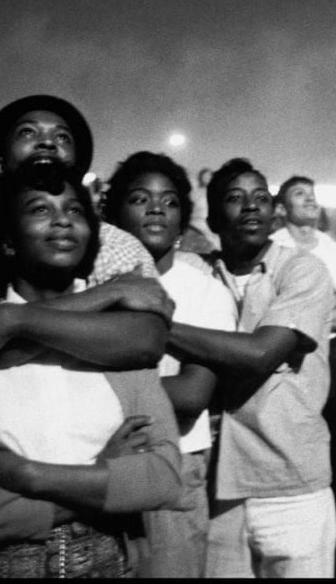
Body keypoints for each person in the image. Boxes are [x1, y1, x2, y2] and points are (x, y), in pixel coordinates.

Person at [0, 165, 183, 577]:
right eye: (40, 209)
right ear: (6, 239)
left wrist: (27, 475)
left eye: (76, 210)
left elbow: (163, 478)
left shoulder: (121, 340)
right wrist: (100, 477)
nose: (63, 220)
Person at [0, 94, 172, 386]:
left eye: (63, 137)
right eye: (28, 132)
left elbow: (144, 340)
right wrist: (109, 295)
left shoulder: (117, 244)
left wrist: (5, 321)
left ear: (75, 166)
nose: (48, 142)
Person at [164, 158, 336, 578]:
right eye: (235, 199)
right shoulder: (197, 273)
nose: (251, 208)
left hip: (290, 481)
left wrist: (156, 328)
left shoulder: (302, 269)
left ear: (275, 210)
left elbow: (261, 353)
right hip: (218, 489)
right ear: (212, 214)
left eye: (261, 198)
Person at [103, 151, 237, 578]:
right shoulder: (87, 286)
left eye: (170, 201)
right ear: (114, 211)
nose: (156, 208)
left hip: (174, 462)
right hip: (92, 460)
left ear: (183, 219)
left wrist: (89, 396)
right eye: (140, 198)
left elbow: (193, 394)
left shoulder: (204, 292)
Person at [270, 174, 336, 569]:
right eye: (300, 195)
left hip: (333, 365)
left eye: (313, 196)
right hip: (282, 366)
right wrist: (327, 315)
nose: (311, 202)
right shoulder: (273, 248)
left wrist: (304, 318)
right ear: (281, 208)